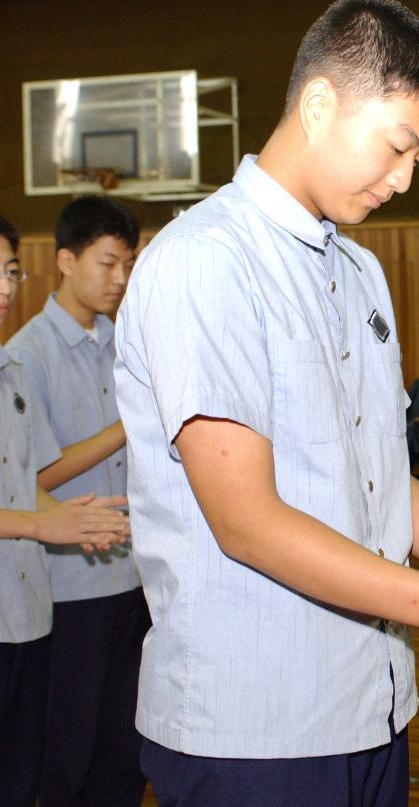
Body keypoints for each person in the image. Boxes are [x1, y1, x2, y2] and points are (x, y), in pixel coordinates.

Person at [113, 0, 419, 806]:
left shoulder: (359, 273)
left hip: (369, 708)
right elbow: (248, 523)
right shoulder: (204, 263)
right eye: (398, 145)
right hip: (254, 730)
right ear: (318, 103)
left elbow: (376, 480)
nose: (404, 178)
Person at [6, 195, 148, 807]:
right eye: (107, 263)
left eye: (127, 265)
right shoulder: (26, 355)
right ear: (65, 260)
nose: (119, 279)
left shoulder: (128, 343)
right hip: (67, 586)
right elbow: (39, 470)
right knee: (67, 746)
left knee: (125, 743)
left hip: (133, 571)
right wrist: (128, 424)